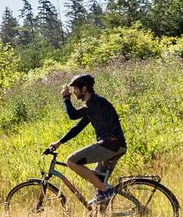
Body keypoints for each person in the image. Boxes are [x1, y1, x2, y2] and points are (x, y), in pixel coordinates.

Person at [47, 72, 126, 205]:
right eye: (72, 90)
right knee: (97, 180)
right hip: (115, 145)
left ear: (84, 89)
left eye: (75, 89)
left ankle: (105, 191)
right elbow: (78, 127)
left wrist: (66, 98)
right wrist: (59, 143)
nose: (73, 92)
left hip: (109, 144)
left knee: (71, 161)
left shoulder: (94, 102)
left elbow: (72, 115)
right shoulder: (94, 105)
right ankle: (102, 212)